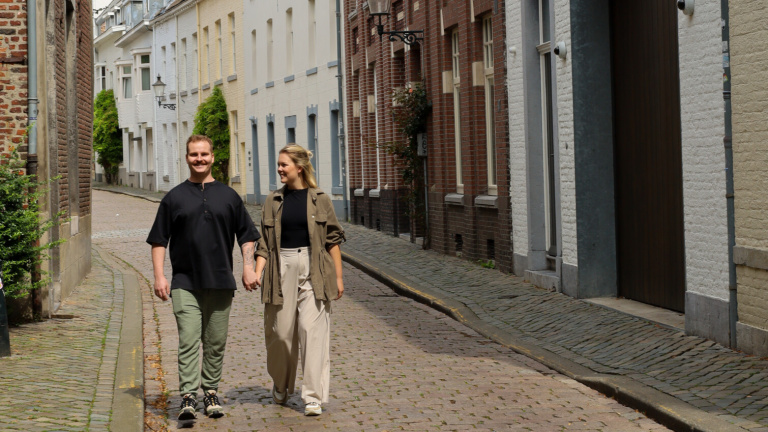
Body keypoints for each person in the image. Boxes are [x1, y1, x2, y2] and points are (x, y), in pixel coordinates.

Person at [147, 135, 260, 421]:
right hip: (184, 282)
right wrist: (159, 276)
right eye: (194, 154)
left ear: (212, 157)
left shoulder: (229, 196)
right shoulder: (174, 198)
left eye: (204, 154)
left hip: (221, 281)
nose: (199, 159)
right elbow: (159, 240)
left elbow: (246, 236)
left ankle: (210, 392)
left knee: (215, 342)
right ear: (186, 158)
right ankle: (187, 396)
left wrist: (248, 268)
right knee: (188, 340)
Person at [251, 144, 345, 416]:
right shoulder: (273, 200)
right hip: (280, 267)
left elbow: (332, 240)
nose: (279, 169)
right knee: (280, 334)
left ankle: (313, 397)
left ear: (299, 168)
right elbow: (264, 244)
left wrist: (338, 277)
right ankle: (281, 384)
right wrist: (257, 272)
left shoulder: (320, 199)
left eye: (284, 165)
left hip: (315, 267)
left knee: (311, 332)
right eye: (279, 164)